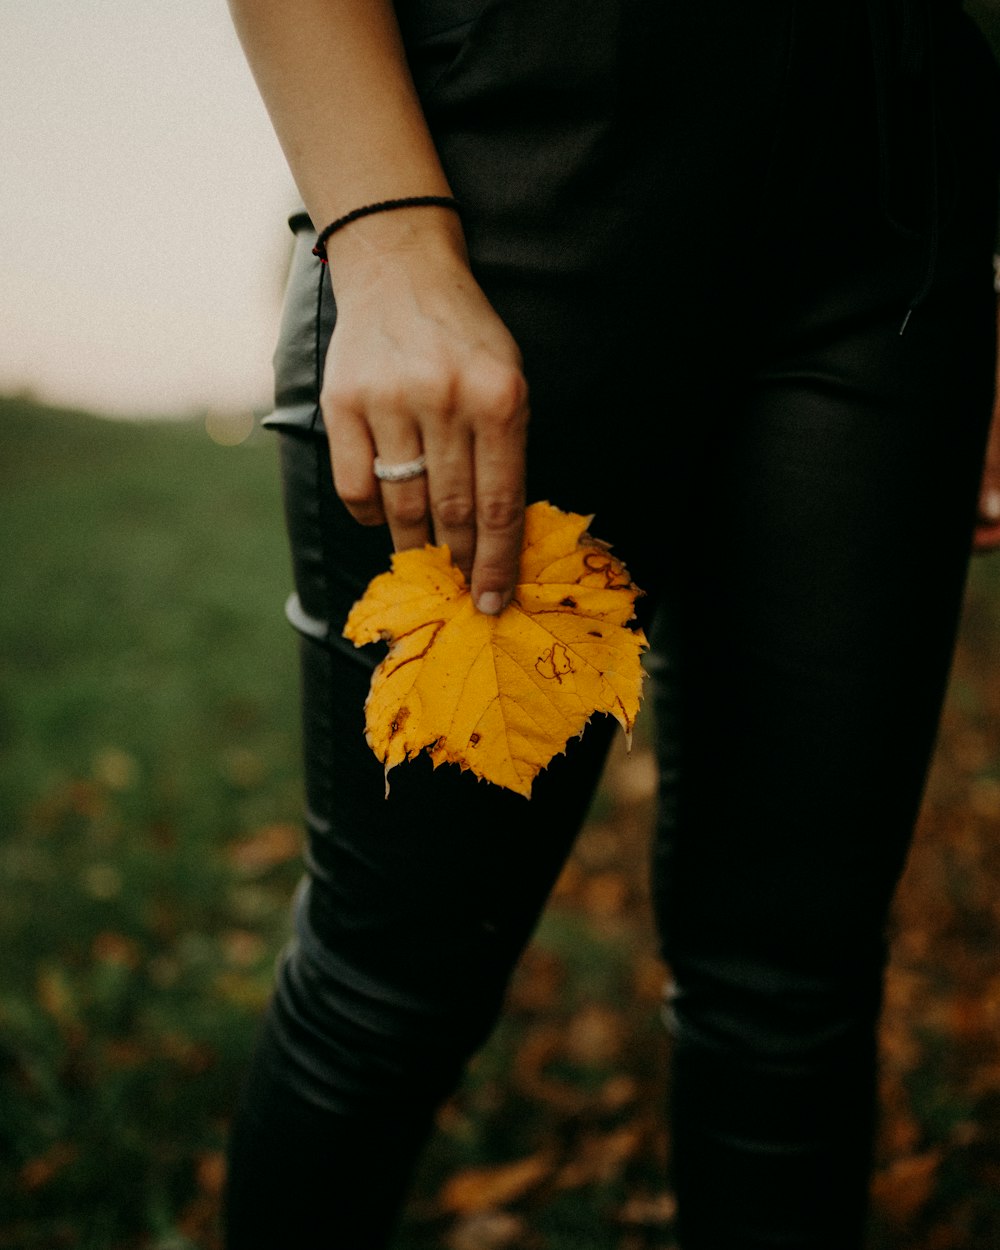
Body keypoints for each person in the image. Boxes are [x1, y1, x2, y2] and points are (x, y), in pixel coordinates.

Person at [220, 1, 1000, 1246]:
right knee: (394, 976)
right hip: (525, 176)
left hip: (896, 211)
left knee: (795, 982)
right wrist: (385, 242)